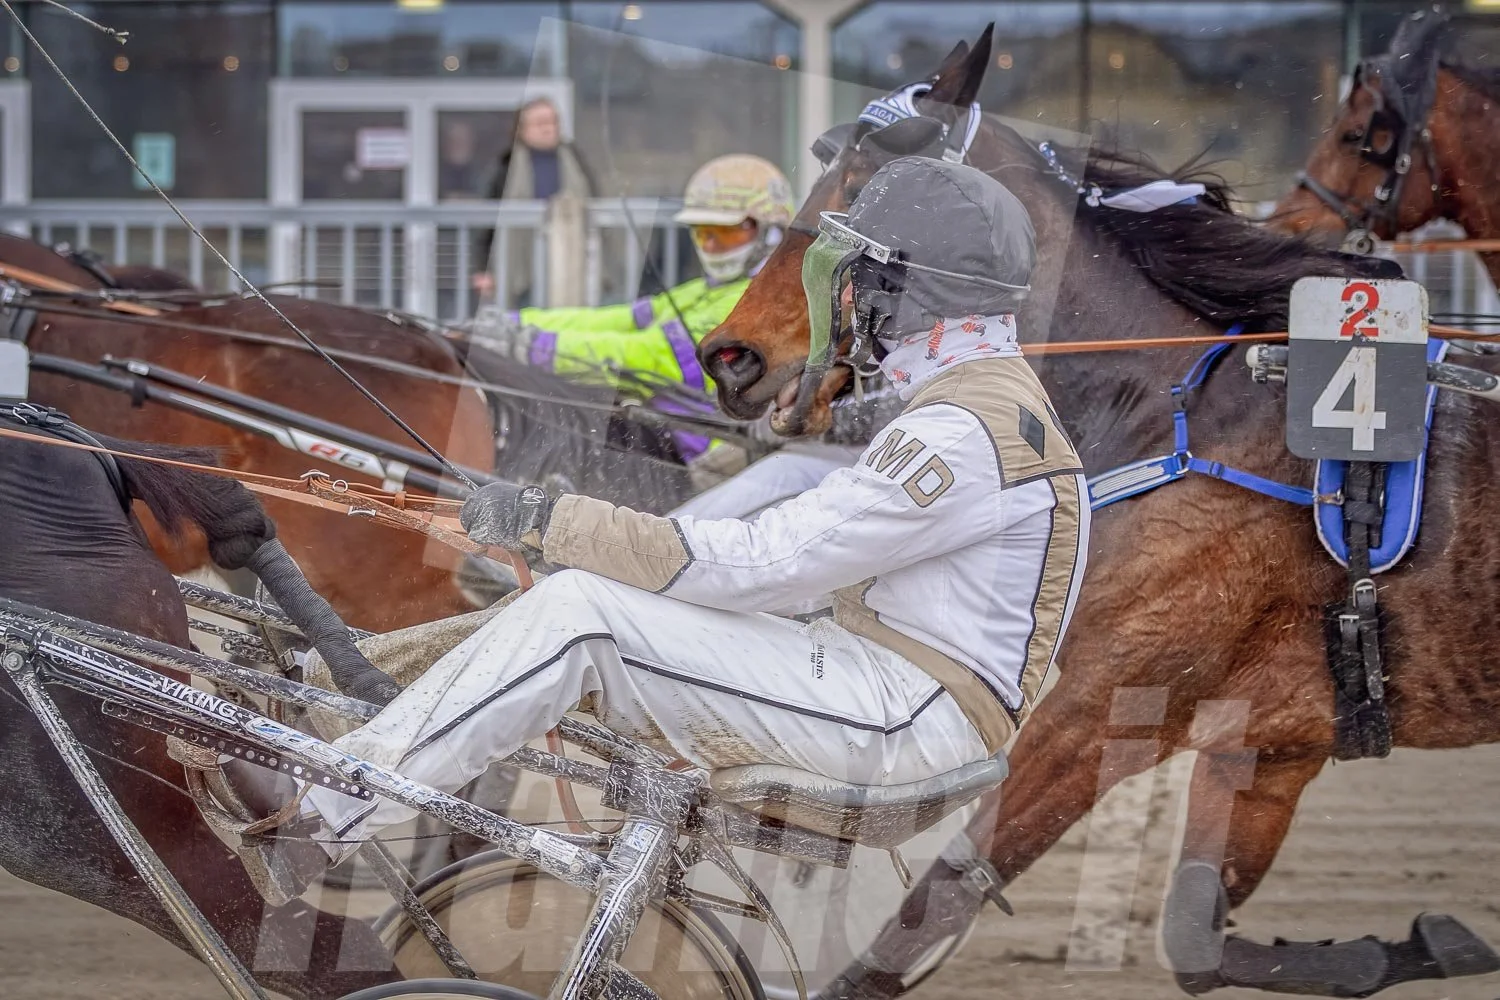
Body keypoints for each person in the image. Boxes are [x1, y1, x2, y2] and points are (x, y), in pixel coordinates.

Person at [299, 155, 1090, 854]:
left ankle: (328, 810)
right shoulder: (970, 400)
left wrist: (554, 521)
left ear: (897, 290)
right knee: (592, 600)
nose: (838, 295)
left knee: (585, 616)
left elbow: (766, 567)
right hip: (886, 683)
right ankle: (369, 699)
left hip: (906, 719)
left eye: (852, 273)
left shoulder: (958, 432)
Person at [469, 152, 884, 506]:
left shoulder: (756, 305)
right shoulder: (703, 291)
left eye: (724, 232)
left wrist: (533, 346)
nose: (711, 246)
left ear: (768, 227)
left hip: (706, 460)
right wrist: (515, 323)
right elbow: (617, 319)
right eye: (703, 234)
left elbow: (649, 353)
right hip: (662, 436)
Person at [473, 97, 595, 307]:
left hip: (568, 261)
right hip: (522, 267)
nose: (549, 129)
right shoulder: (507, 167)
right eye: (540, 123)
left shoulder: (575, 160)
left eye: (553, 122)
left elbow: (594, 203)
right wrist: (484, 269)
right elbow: (488, 222)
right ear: (522, 129)